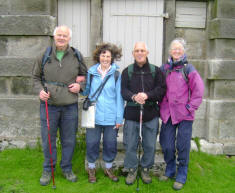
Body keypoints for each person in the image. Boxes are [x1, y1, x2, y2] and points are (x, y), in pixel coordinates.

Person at [32, 25, 87, 186]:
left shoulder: (76, 55)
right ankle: (48, 169)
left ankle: (67, 168)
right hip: (49, 105)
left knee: (69, 139)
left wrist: (80, 87)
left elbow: (85, 77)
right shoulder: (44, 55)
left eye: (64, 35)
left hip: (70, 105)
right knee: (48, 139)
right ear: (54, 37)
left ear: (69, 38)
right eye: (59, 35)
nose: (61, 38)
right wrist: (40, 91)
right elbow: (35, 77)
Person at [159, 38, 204, 190]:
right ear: (170, 51)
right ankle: (170, 169)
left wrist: (190, 107)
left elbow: (198, 90)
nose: (176, 51)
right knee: (166, 144)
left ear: (183, 51)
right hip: (167, 113)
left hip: (184, 114)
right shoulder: (164, 68)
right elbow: (158, 87)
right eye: (174, 49)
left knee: (183, 145)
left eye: (179, 49)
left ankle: (182, 173)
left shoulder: (188, 69)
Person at [121, 42, 166, 185]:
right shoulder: (127, 71)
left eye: (142, 50)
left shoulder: (156, 71)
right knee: (130, 144)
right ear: (133, 53)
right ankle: (132, 168)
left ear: (147, 52)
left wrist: (147, 95)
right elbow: (123, 91)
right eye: (136, 51)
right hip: (132, 115)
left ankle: (146, 168)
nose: (139, 53)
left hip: (150, 114)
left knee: (150, 145)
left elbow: (161, 90)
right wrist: (134, 97)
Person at [82, 43, 124, 183]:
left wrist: (119, 118)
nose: (105, 58)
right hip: (94, 116)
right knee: (92, 142)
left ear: (112, 58)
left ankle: (108, 168)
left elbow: (119, 98)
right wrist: (79, 85)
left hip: (111, 117)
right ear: (98, 56)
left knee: (110, 144)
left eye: (108, 56)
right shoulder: (91, 72)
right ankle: (92, 169)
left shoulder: (117, 74)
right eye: (103, 55)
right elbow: (86, 91)